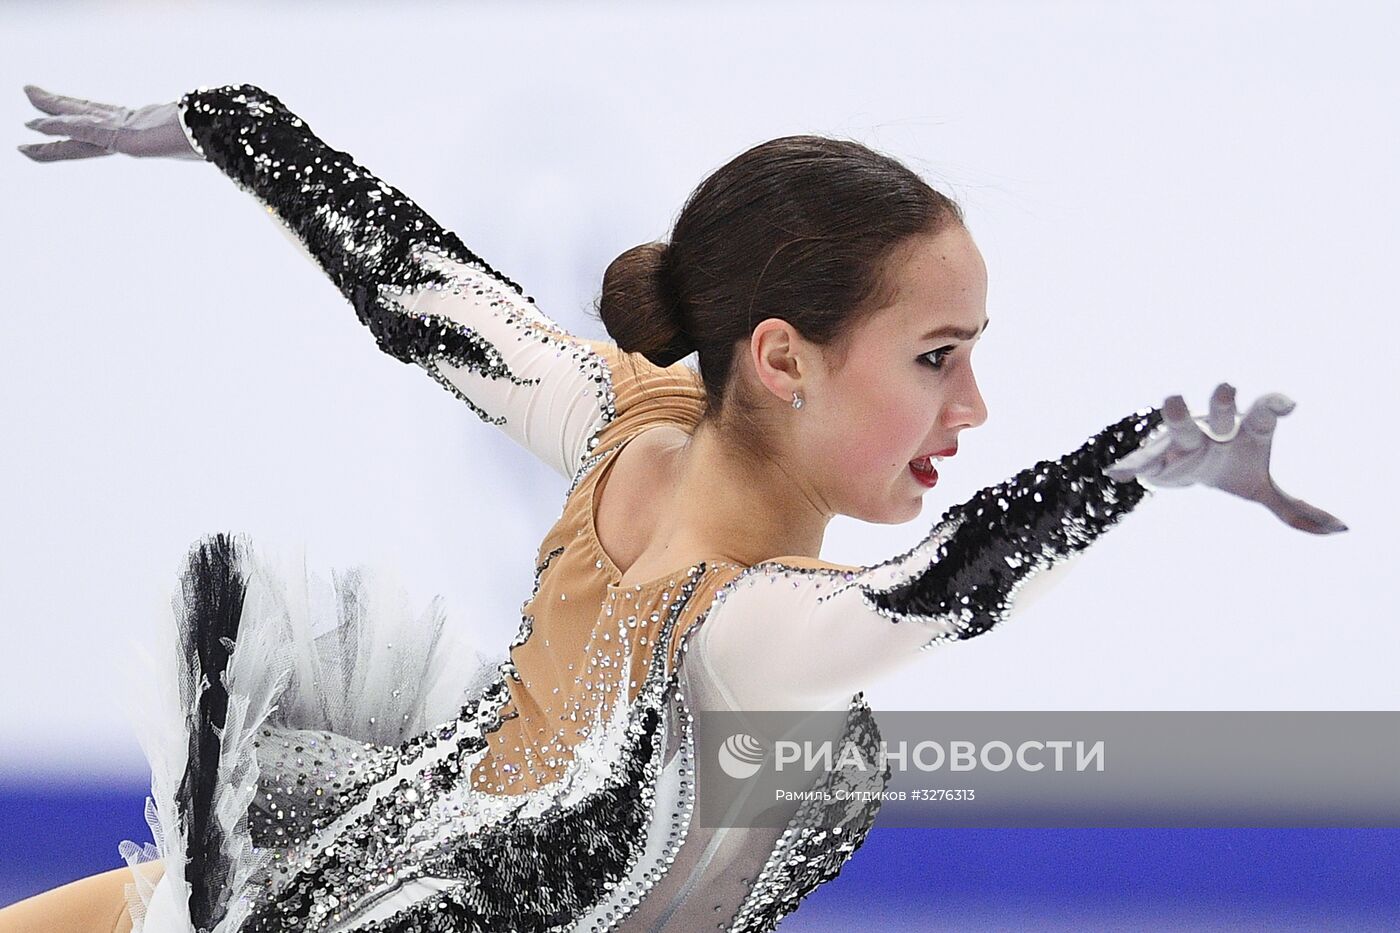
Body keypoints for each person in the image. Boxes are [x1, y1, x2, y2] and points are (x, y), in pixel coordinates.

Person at [3, 83, 1345, 933]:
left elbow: (419, 286)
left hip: (340, 871)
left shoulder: (624, 416)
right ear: (782, 357)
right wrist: (1132, 468)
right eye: (938, 356)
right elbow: (947, 582)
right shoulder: (749, 629)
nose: (974, 404)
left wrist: (225, 126)